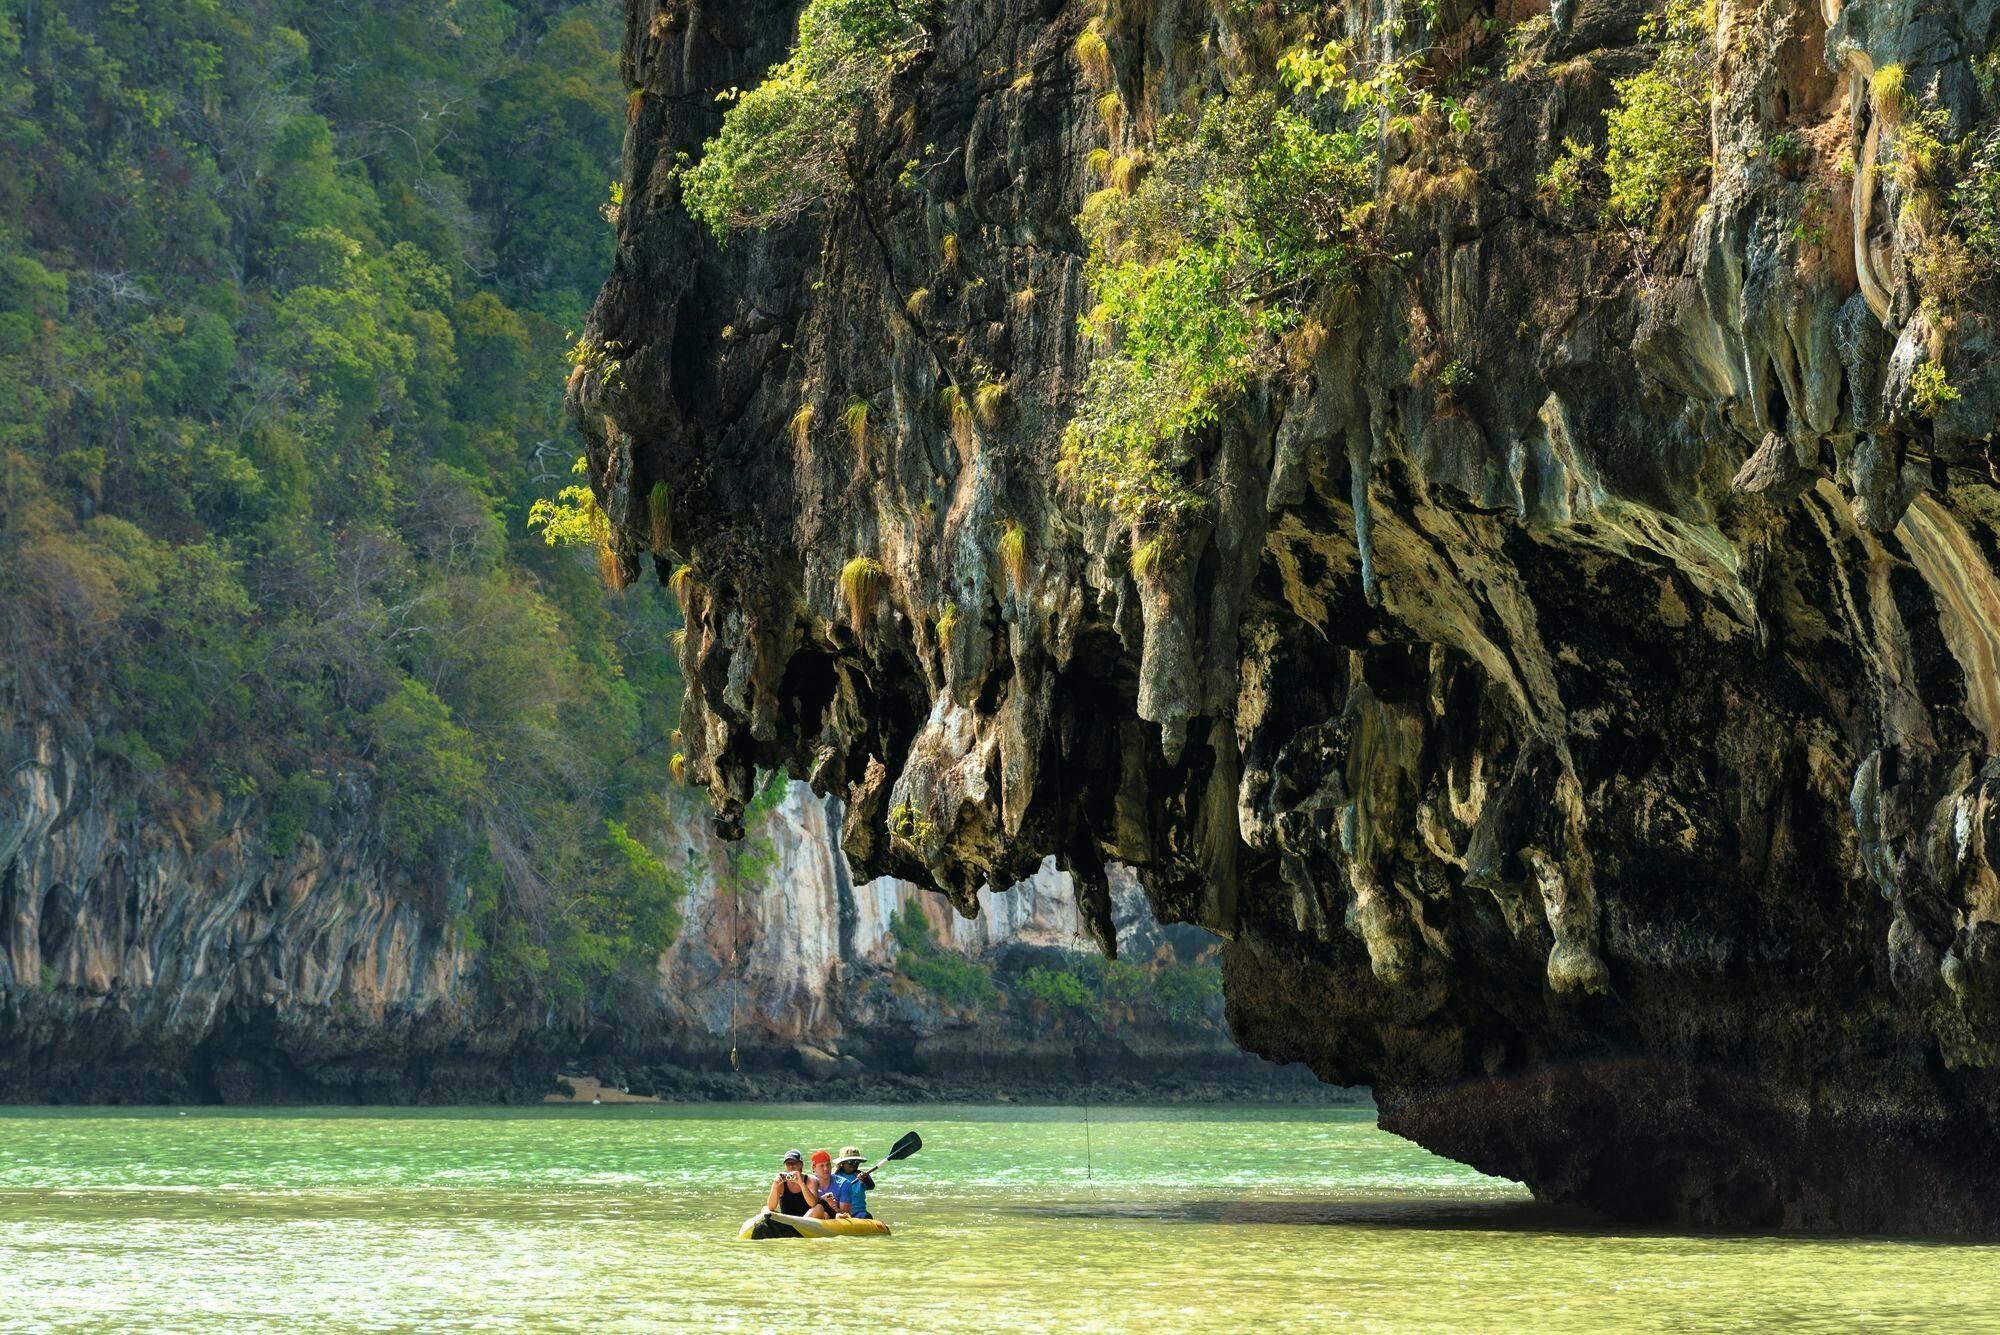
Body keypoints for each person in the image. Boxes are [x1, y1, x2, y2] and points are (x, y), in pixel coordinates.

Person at [828, 1145, 877, 1219]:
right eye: (850, 1162)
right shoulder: (834, 1176)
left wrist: (865, 1179)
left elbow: (871, 1186)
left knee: (867, 1216)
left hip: (858, 1213)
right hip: (840, 1213)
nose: (854, 1164)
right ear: (842, 1163)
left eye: (856, 1162)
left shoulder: (862, 1176)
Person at [765, 1149, 814, 1218]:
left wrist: (801, 1183)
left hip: (806, 1221)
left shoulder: (810, 1180)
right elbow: (771, 1207)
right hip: (787, 1220)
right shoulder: (781, 1182)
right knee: (765, 1210)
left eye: (793, 1163)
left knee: (818, 1208)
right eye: (788, 1164)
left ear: (801, 1164)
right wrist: (775, 1185)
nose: (791, 1166)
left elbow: (813, 1204)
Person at [803, 1148, 838, 1219]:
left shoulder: (844, 1184)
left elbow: (846, 1214)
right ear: (813, 1167)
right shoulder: (809, 1182)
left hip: (833, 1217)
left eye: (828, 1165)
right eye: (822, 1166)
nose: (826, 1168)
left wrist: (835, 1208)